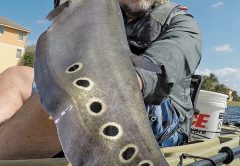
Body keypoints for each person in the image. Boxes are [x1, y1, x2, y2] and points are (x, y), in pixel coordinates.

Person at [0, 0, 201, 159]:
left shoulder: (181, 22)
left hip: (161, 113)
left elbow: (170, 60)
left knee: (79, 90)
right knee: (17, 76)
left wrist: (126, 80)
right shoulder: (99, 11)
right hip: (90, 83)